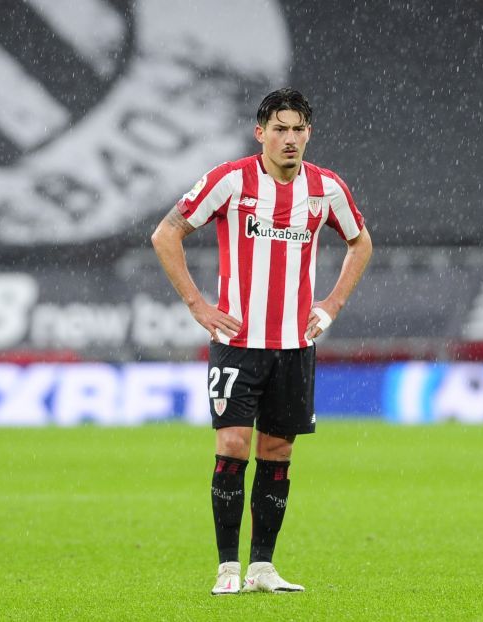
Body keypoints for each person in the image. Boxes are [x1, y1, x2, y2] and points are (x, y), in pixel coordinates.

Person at [151, 87, 372, 595]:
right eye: (280, 129)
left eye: (298, 129)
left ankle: (263, 568)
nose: (289, 139)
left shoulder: (326, 189)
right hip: (238, 341)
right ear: (261, 133)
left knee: (278, 452)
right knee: (232, 444)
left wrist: (331, 304)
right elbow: (167, 233)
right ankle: (227, 568)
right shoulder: (231, 180)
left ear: (309, 133)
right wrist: (198, 306)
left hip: (295, 346)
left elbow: (361, 242)